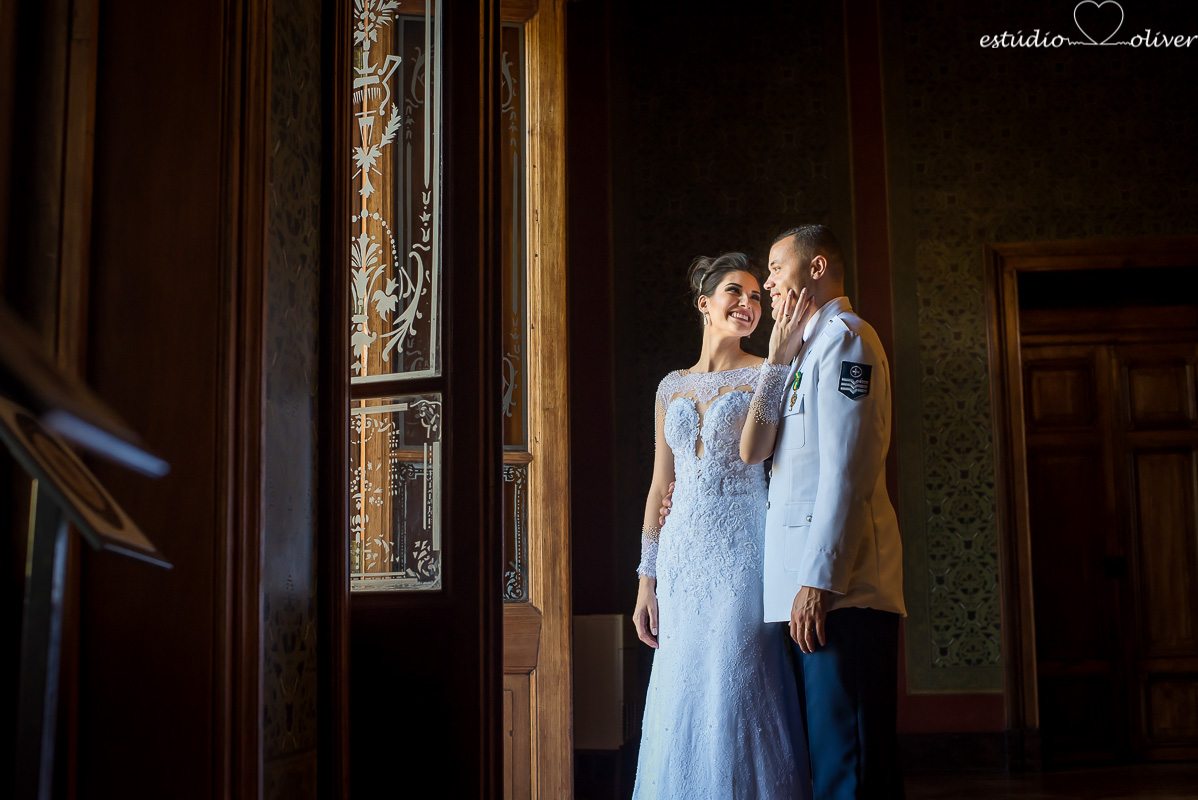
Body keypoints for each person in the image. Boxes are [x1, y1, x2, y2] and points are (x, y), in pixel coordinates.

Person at [631, 252, 811, 798]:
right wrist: (646, 580)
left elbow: (764, 455)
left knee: (737, 678)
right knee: (681, 687)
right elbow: (661, 486)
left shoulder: (767, 371)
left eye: (758, 296)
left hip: (743, 547)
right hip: (682, 554)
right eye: (736, 292)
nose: (749, 304)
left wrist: (778, 359)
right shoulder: (669, 388)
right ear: (704, 304)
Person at [741, 225, 906, 799]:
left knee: (850, 767)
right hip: (807, 590)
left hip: (844, 591)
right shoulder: (803, 350)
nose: (767, 282)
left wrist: (819, 580)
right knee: (830, 761)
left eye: (775, 268)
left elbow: (848, 469)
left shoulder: (847, 340)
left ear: (815, 269)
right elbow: (762, 454)